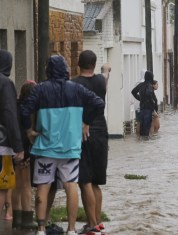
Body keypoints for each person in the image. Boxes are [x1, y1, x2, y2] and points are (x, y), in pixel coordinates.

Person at [20, 55, 105, 235]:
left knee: (43, 186)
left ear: (48, 70)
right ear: (66, 70)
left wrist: (29, 131)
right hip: (70, 148)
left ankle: (41, 229)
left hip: (44, 148)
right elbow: (99, 103)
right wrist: (86, 122)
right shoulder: (77, 89)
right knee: (71, 186)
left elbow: (24, 109)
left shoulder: (40, 90)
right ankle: (72, 229)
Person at [73, 50, 108, 234]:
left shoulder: (74, 84)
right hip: (102, 131)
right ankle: (98, 222)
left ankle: (91, 225)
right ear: (94, 65)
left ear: (78, 64)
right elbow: (106, 71)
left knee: (84, 181)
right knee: (95, 182)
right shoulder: (101, 81)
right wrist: (106, 68)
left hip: (83, 133)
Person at [0, 49, 24, 222]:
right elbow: (10, 114)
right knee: (2, 186)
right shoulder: (5, 83)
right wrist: (18, 146)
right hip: (2, 144)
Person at [12, 80, 38, 230]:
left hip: (14, 147)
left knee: (15, 185)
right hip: (26, 149)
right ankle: (28, 217)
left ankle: (17, 219)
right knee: (26, 184)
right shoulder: (30, 110)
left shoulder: (15, 106)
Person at [131, 70, 155, 138]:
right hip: (148, 109)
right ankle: (145, 142)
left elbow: (133, 92)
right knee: (147, 127)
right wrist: (153, 109)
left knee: (142, 126)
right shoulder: (150, 86)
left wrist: (140, 98)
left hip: (142, 108)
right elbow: (150, 97)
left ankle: (141, 142)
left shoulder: (140, 85)